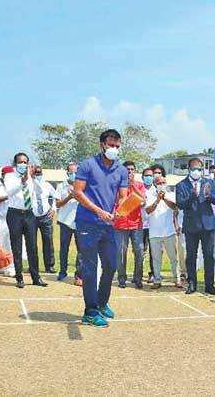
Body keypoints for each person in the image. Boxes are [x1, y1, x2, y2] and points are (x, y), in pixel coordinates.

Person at [72, 129, 129, 327]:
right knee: (90, 268)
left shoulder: (121, 170)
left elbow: (123, 196)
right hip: (87, 222)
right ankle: (90, 310)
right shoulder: (87, 165)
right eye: (111, 145)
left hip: (107, 224)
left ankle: (102, 302)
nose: (114, 149)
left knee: (111, 265)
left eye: (117, 146)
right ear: (102, 145)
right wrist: (98, 211)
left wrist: (120, 210)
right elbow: (77, 192)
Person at [176, 157, 215, 295]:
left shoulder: (209, 182)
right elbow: (180, 204)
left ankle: (209, 285)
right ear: (189, 169)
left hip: (207, 225)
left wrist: (207, 196)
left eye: (199, 169)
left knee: (209, 256)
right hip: (191, 226)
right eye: (194, 169)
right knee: (191, 256)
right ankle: (192, 283)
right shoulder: (181, 185)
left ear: (202, 170)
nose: (197, 171)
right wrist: (192, 196)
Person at [3, 153, 48, 288]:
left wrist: (34, 179)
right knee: (16, 246)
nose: (23, 165)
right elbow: (9, 192)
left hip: (29, 214)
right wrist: (22, 181)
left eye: (25, 162)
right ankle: (19, 277)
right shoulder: (10, 176)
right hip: (14, 213)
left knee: (32, 246)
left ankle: (36, 277)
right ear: (15, 164)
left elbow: (40, 192)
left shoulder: (30, 177)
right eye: (20, 162)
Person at [114, 161, 147, 289]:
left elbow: (143, 199)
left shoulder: (140, 185)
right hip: (120, 225)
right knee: (121, 253)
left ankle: (138, 278)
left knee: (139, 251)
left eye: (132, 169)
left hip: (136, 224)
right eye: (127, 169)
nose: (129, 172)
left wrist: (133, 186)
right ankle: (122, 278)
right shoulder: (116, 185)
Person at [145, 174, 181, 289]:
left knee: (173, 258)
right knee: (156, 259)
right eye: (159, 183)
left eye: (163, 183)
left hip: (169, 232)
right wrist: (157, 200)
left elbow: (175, 207)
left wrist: (164, 198)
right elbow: (148, 210)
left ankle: (177, 279)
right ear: (155, 184)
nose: (161, 185)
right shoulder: (149, 195)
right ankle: (157, 280)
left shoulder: (171, 194)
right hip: (154, 232)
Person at [56, 162, 83, 285]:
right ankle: (62, 271)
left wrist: (78, 196)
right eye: (70, 172)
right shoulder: (61, 186)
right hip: (65, 222)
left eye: (76, 172)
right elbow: (57, 204)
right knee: (64, 248)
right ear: (67, 173)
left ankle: (79, 275)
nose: (73, 175)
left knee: (81, 250)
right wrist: (69, 197)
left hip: (80, 222)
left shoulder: (84, 186)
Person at [0, 166, 15, 277]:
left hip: (11, 218)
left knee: (10, 243)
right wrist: (6, 197)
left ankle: (9, 267)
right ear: (3, 175)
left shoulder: (14, 184)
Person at [140, 167, 154, 284]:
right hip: (141, 224)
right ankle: (138, 273)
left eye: (151, 175)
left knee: (153, 251)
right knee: (140, 251)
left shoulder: (156, 190)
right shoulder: (139, 189)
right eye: (146, 175)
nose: (148, 178)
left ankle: (153, 273)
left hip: (154, 225)